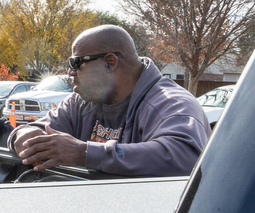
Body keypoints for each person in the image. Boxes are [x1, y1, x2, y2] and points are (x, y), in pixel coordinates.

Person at [12, 25, 210, 176]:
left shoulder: (171, 104)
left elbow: (186, 156)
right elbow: (34, 129)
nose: (70, 72)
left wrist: (84, 153)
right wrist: (27, 137)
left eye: (77, 63)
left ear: (110, 62)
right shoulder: (81, 102)